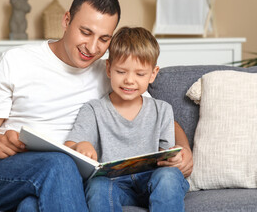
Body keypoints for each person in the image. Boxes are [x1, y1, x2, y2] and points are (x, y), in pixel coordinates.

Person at [0, 0, 192, 211]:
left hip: (65, 182)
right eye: (85, 32)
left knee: (30, 206)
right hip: (5, 174)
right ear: (66, 20)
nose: (92, 47)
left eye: (104, 39)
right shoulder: (16, 61)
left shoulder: (115, 73)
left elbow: (156, 116)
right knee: (59, 163)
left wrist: (183, 150)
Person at [65, 26, 190, 212]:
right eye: (121, 72)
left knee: (168, 176)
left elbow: (166, 160)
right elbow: (68, 147)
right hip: (116, 186)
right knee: (98, 185)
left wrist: (174, 157)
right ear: (108, 68)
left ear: (153, 74)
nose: (129, 80)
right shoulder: (94, 110)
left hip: (153, 182)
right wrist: (79, 146)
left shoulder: (162, 110)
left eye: (140, 74)